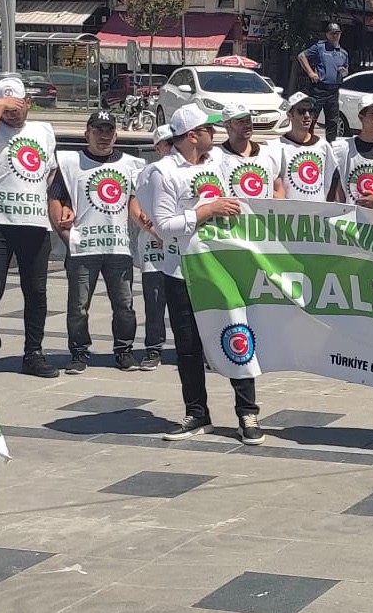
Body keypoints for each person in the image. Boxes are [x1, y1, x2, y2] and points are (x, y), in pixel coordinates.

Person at [145, 104, 260, 444]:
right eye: (209, 129)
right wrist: (206, 211)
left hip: (222, 267)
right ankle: (197, 413)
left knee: (238, 338)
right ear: (192, 135)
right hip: (182, 270)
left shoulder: (220, 163)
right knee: (189, 347)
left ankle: (247, 412)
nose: (215, 133)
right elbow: (164, 226)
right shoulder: (163, 172)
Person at [49, 111, 146, 374]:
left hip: (118, 247)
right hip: (83, 247)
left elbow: (134, 203)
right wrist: (64, 233)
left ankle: (124, 351)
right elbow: (55, 197)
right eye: (98, 130)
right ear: (87, 133)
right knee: (78, 307)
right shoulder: (71, 163)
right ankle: (79, 353)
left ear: (116, 134)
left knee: (124, 305)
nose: (103, 136)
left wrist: (148, 225)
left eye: (108, 131)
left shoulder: (130, 165)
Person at [0, 75, 59, 378]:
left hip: (34, 224)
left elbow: (50, 173)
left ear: (27, 102)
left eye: (17, 105)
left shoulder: (43, 131)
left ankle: (34, 354)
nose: (14, 112)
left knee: (36, 292)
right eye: (6, 106)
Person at [134, 125, 175, 371]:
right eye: (167, 144)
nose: (171, 148)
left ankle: (193, 347)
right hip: (154, 245)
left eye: (174, 142)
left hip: (180, 245)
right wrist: (155, 231)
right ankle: (153, 348)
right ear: (158, 147)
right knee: (155, 300)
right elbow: (135, 206)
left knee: (187, 301)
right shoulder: (147, 172)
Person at [272, 92, 337, 201]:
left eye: (310, 111)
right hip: (288, 214)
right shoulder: (278, 146)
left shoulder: (323, 146)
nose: (307, 116)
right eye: (301, 111)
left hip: (316, 213)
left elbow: (330, 181)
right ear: (289, 115)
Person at [218, 102, 285, 201]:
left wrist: (262, 192)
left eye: (248, 120)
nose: (247, 125)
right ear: (227, 126)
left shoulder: (268, 153)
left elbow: (280, 194)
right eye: (240, 121)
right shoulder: (216, 156)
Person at [296, 22, 349, 142]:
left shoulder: (343, 53)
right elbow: (301, 56)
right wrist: (310, 73)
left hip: (334, 90)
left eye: (337, 33)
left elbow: (346, 71)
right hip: (319, 89)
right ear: (327, 35)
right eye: (332, 34)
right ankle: (308, 141)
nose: (335, 36)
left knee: (332, 121)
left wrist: (343, 72)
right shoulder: (320, 47)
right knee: (311, 118)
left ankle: (331, 146)